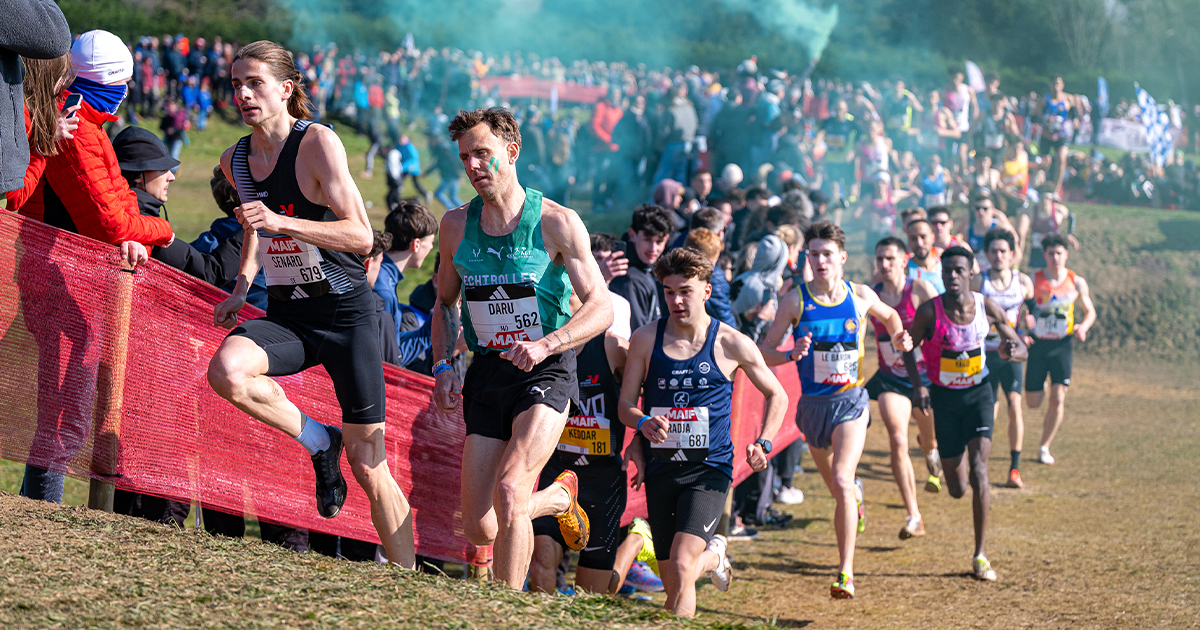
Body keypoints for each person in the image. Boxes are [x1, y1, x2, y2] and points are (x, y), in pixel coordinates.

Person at [205, 41, 417, 569]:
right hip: (291, 316)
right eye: (236, 84)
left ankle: (408, 579)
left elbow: (361, 235)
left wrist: (282, 221)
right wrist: (242, 285)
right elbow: (255, 225)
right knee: (227, 371)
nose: (243, 94)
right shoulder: (237, 158)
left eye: (255, 83)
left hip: (348, 317)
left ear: (285, 89)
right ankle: (320, 441)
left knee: (369, 464)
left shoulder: (318, 142)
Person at [430, 106, 613, 589]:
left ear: (511, 153)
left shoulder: (556, 222)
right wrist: (444, 365)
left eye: (482, 153)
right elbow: (444, 304)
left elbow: (601, 307)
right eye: (464, 157)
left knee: (511, 491)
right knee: (480, 526)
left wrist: (547, 344)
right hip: (488, 371)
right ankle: (557, 498)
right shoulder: (455, 225)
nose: (472, 166)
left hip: (545, 369)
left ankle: (508, 609)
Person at [621, 247, 788, 618]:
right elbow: (625, 404)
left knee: (683, 565)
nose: (676, 301)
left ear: (707, 291)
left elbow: (777, 394)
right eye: (669, 292)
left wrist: (764, 443)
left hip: (709, 469)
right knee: (673, 582)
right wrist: (642, 423)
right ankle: (714, 557)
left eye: (686, 292)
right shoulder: (646, 339)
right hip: (662, 467)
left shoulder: (731, 342)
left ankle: (707, 558)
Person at [759, 221, 914, 599]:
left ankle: (845, 573)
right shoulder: (795, 301)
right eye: (813, 254)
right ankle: (855, 500)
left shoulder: (859, 295)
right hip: (813, 407)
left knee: (843, 479)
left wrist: (898, 338)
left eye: (827, 254)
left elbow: (891, 316)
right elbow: (764, 351)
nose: (820, 261)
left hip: (850, 402)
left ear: (842, 257)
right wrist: (790, 355)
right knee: (838, 489)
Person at [905, 246, 1028, 582]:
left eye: (959, 270)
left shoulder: (986, 306)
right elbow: (907, 348)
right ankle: (936, 457)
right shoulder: (929, 312)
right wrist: (918, 386)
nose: (953, 276)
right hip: (944, 399)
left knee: (979, 469)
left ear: (971, 272)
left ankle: (980, 554)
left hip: (979, 395)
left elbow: (1019, 346)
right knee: (958, 488)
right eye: (947, 271)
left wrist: (1011, 351)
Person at [529, 324, 629, 595]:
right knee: (541, 562)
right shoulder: (541, 344)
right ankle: (541, 618)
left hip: (603, 480)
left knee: (591, 595)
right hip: (558, 472)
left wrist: (641, 440)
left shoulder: (612, 347)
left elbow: (643, 391)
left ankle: (635, 541)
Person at [865, 236, 942, 533]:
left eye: (890, 258)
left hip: (924, 379)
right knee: (897, 439)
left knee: (930, 438)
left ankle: (930, 450)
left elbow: (942, 325)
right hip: (891, 380)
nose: (884, 264)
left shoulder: (920, 289)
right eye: (879, 259)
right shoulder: (871, 295)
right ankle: (914, 515)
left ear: (903, 261)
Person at [970, 229, 1034, 489]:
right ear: (986, 254)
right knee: (988, 411)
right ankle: (980, 465)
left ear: (1012, 254)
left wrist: (1027, 331)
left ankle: (1014, 469)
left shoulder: (1023, 283)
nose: (998, 256)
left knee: (1015, 405)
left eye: (1003, 251)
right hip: (984, 354)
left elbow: (1033, 311)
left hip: (1011, 353)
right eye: (993, 251)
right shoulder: (978, 282)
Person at [1023, 235, 1095, 465]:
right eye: (1051, 253)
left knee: (1058, 398)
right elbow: (1019, 308)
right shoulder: (1033, 280)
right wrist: (1025, 321)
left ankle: (1044, 446)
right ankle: (1043, 384)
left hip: (1062, 345)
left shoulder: (1076, 281)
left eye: (1059, 253)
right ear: (1044, 255)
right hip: (1038, 345)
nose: (1055, 257)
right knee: (1033, 402)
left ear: (1066, 254)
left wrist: (1083, 327)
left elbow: (1090, 311)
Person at [0, 0, 71, 193]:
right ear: (46, 76)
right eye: (60, 75)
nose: (63, 83)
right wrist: (41, 151)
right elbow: (15, 194)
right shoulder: (20, 115)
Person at [373, 200, 439, 364]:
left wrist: (432, 324)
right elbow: (389, 360)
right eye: (431, 242)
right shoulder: (382, 290)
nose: (431, 247)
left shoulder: (384, 276)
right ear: (416, 244)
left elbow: (392, 345)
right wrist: (435, 326)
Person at [610, 204, 674, 331]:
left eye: (659, 241)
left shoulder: (646, 269)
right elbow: (639, 333)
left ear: (666, 239)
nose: (653, 248)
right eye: (647, 239)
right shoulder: (630, 280)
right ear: (632, 234)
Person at [1017, 186, 1078, 270]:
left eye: (1047, 198)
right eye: (1042, 198)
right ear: (1038, 198)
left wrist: (1070, 233)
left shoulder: (1058, 210)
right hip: (1037, 250)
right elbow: (1019, 213)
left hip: (1053, 250)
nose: (1044, 201)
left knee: (1054, 271)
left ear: (1051, 198)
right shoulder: (1031, 211)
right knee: (1037, 273)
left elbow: (1071, 216)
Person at [960, 188, 1016, 272]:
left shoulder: (1001, 228)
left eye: (985, 208)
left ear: (993, 211)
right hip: (976, 274)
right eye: (977, 208)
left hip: (996, 272)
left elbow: (1017, 253)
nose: (981, 212)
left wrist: (1004, 269)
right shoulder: (967, 231)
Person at [906, 219, 944, 294]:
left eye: (923, 237)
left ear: (933, 238)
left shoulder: (944, 266)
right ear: (909, 241)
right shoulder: (904, 270)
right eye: (914, 239)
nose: (919, 243)